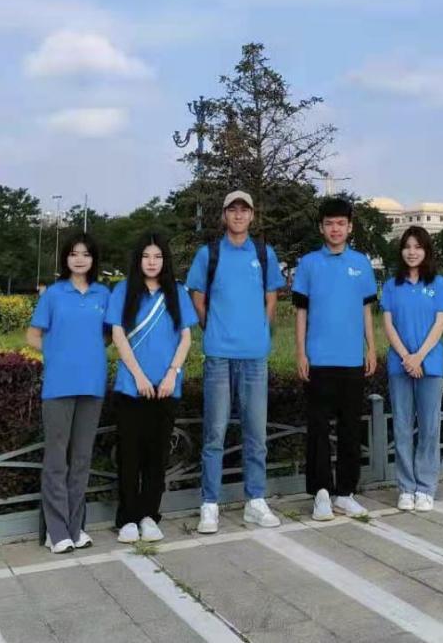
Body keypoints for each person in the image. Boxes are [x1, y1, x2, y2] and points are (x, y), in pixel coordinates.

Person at [186, 190, 286, 534]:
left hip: (255, 356)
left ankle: (255, 500)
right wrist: (211, 326)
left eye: (245, 210)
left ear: (252, 216)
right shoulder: (209, 253)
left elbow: (271, 296)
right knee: (215, 433)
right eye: (233, 209)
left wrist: (262, 328)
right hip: (218, 354)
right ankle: (209, 504)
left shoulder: (264, 253)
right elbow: (197, 295)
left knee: (256, 433)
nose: (239, 215)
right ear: (224, 215)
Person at [106, 233, 197, 543]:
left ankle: (149, 515)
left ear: (164, 260)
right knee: (129, 454)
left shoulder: (177, 292)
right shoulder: (123, 290)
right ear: (138, 260)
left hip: (166, 388)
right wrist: (139, 377)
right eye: (146, 256)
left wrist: (172, 374)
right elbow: (118, 335)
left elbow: (186, 337)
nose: (152, 262)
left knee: (156, 456)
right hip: (131, 387)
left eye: (157, 257)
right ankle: (127, 518)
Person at [292, 197, 377, 521]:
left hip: (352, 359)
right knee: (318, 430)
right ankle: (322, 494)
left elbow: (366, 310)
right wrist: (301, 351)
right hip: (318, 359)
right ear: (321, 227)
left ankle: (345, 493)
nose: (335, 229)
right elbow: (301, 312)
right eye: (329, 223)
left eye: (341, 223)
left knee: (350, 429)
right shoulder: (308, 264)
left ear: (350, 227)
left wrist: (371, 348)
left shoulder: (361, 263)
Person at [26, 232, 110, 553]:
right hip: (59, 385)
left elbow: (109, 335)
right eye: (74, 253)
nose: (79, 259)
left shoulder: (103, 293)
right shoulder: (54, 294)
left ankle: (76, 528)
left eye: (86, 254)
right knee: (57, 459)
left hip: (92, 384)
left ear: (93, 259)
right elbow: (33, 335)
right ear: (66, 258)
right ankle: (56, 530)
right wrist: (58, 354)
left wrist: (88, 352)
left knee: (81, 459)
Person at [380, 226, 443, 513]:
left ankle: (425, 487)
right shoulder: (391, 285)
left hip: (430, 365)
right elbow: (388, 325)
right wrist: (407, 358)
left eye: (418, 247)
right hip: (400, 365)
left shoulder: (438, 284)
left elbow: (440, 323)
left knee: (430, 427)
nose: (412, 252)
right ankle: (406, 488)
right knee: (402, 426)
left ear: (426, 251)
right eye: (407, 246)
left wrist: (419, 356)